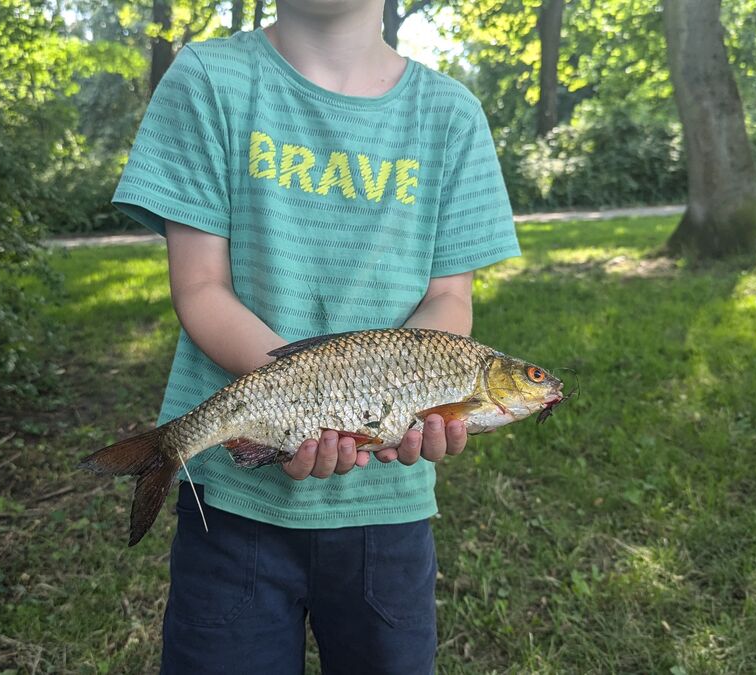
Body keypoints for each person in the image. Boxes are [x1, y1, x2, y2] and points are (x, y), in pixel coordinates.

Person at [110, 0, 520, 669]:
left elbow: (449, 297)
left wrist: (400, 404)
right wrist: (303, 404)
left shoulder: (451, 115)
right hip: (234, 511)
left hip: (387, 509)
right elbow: (200, 288)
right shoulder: (207, 79)